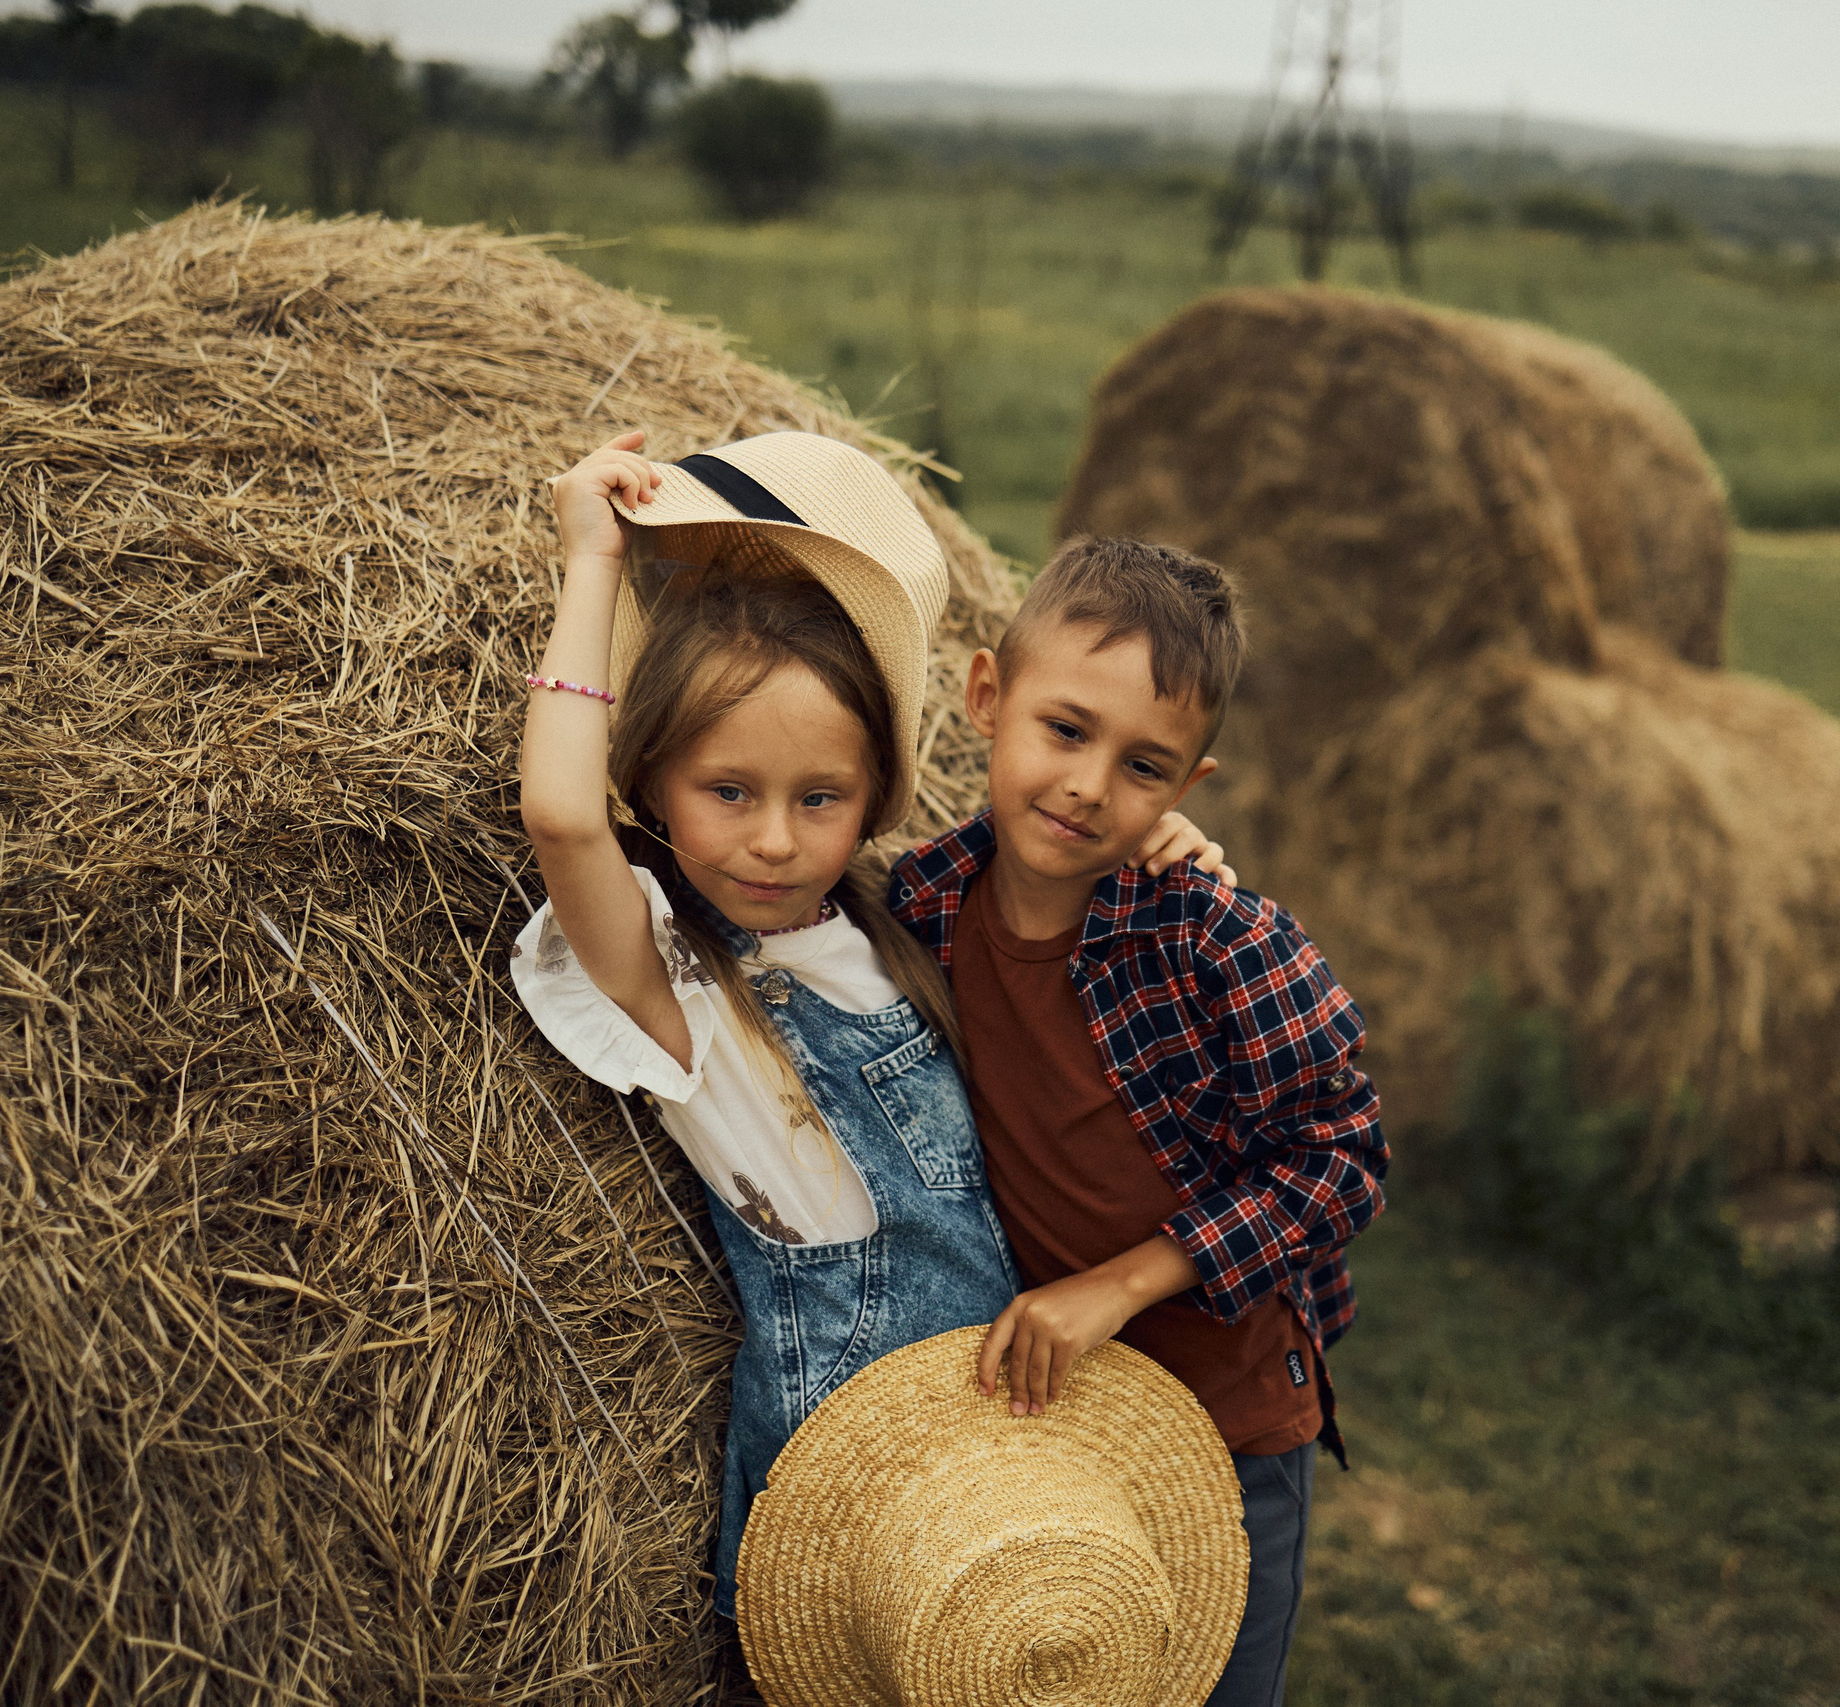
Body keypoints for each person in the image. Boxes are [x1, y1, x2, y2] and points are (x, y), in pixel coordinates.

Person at [509, 430, 1231, 1622]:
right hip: (841, 1455)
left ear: (875, 798)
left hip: (997, 1415)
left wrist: (1166, 851)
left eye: (820, 799)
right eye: (726, 792)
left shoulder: (898, 929)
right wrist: (592, 561)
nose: (776, 841)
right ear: (652, 782)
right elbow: (560, 816)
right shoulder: (681, 986)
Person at [890, 536, 1389, 1707]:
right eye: (1065, 731)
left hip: (1226, 1425)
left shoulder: (1218, 942)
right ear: (984, 697)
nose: (1087, 786)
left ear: (1188, 789)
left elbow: (1344, 1160)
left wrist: (1121, 1282)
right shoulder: (915, 909)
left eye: (1143, 767)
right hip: (1041, 1417)